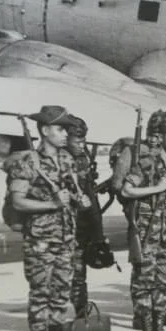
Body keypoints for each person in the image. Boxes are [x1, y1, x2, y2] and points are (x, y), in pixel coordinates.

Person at [2, 105, 84, 331]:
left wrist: (78, 199)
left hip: (66, 239)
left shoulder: (68, 160)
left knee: (61, 295)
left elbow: (72, 192)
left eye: (67, 130)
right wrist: (52, 204)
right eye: (60, 129)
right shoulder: (27, 162)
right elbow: (18, 202)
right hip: (40, 241)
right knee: (40, 295)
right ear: (45, 130)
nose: (65, 134)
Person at [122, 110, 166, 331]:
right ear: (160, 137)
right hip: (147, 231)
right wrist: (156, 188)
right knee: (144, 282)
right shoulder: (147, 162)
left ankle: (160, 329)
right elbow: (127, 190)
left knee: (164, 280)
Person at [64, 115, 111, 317]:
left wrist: (98, 232)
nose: (82, 145)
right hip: (62, 227)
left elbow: (90, 194)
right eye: (78, 141)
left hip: (81, 227)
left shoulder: (83, 158)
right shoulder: (57, 160)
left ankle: (80, 314)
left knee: (79, 275)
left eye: (84, 140)